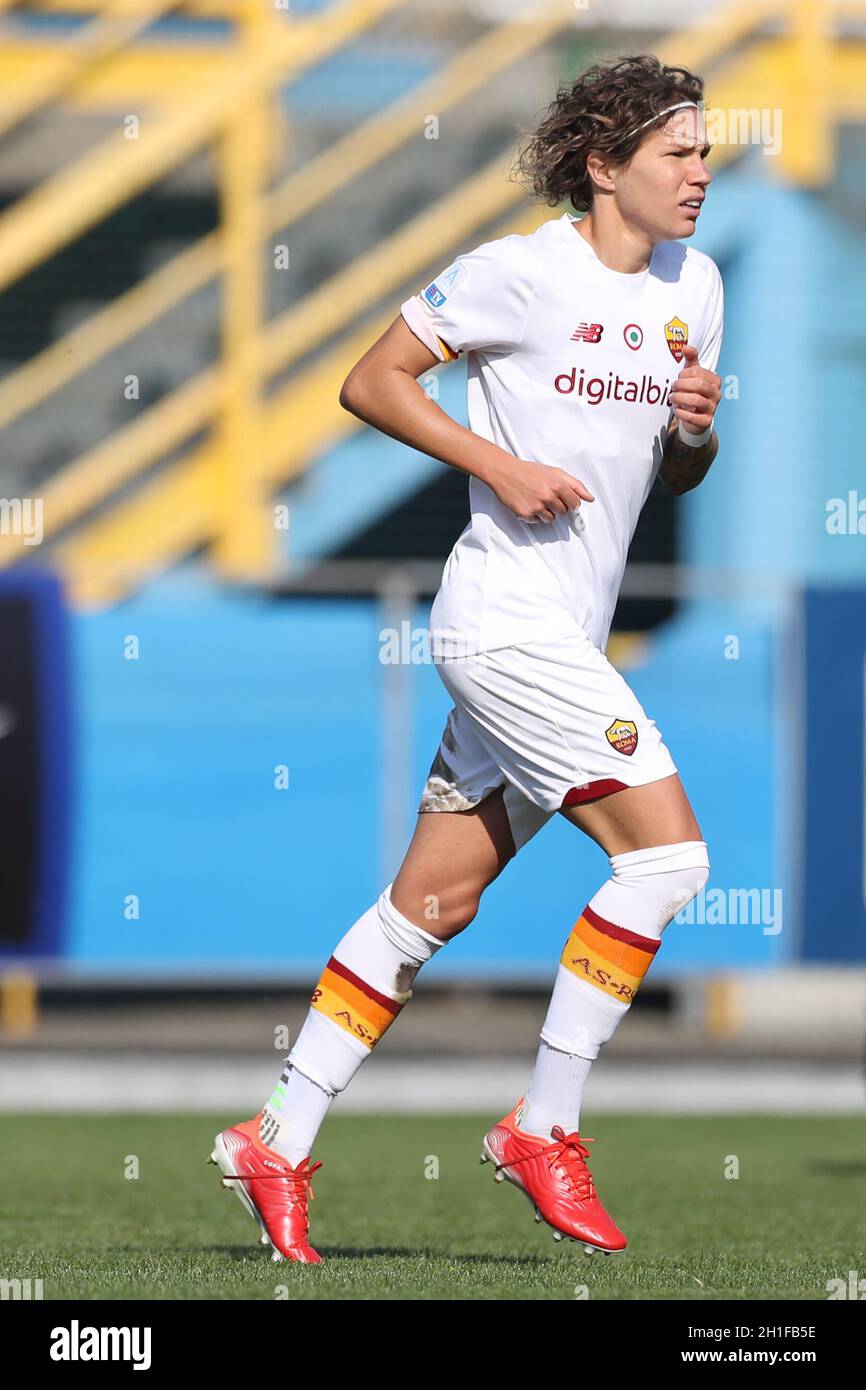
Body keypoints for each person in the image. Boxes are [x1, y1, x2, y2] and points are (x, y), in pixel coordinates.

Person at [209, 53, 724, 1264]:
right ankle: (542, 1124)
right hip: (501, 624)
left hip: (558, 632)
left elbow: (678, 467)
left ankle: (273, 1135)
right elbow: (367, 380)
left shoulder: (693, 286)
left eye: (703, 150)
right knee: (668, 862)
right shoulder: (515, 273)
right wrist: (493, 464)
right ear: (602, 169)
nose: (700, 172)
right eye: (676, 153)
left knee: (426, 905)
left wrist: (694, 433)